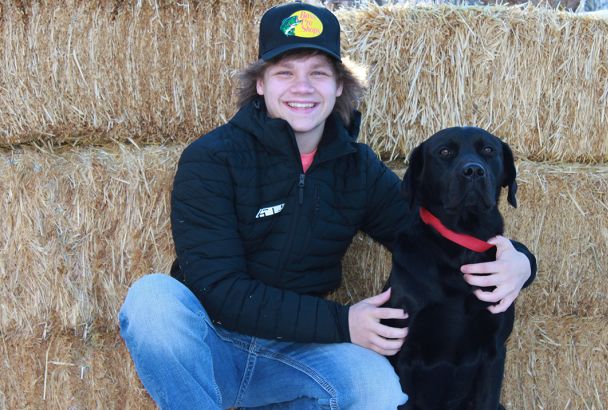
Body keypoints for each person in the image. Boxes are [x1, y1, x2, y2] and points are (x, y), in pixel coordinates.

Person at [119, 2, 536, 409]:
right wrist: (343, 324)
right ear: (260, 84)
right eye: (285, 73)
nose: (302, 87)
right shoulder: (212, 159)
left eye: (318, 73)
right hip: (212, 343)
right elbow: (220, 289)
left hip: (296, 353)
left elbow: (426, 230)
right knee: (151, 301)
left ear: (340, 86)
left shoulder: (357, 169)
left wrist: (521, 262)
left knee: (380, 392)